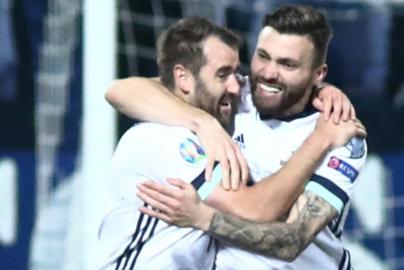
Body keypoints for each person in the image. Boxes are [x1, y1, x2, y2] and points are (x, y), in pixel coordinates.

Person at [98, 15, 364, 270]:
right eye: (263, 57)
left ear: (317, 73)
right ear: (183, 78)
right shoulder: (164, 138)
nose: (238, 85)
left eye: (288, 64)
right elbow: (118, 90)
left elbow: (291, 241)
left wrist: (323, 95)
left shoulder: (340, 129)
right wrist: (202, 122)